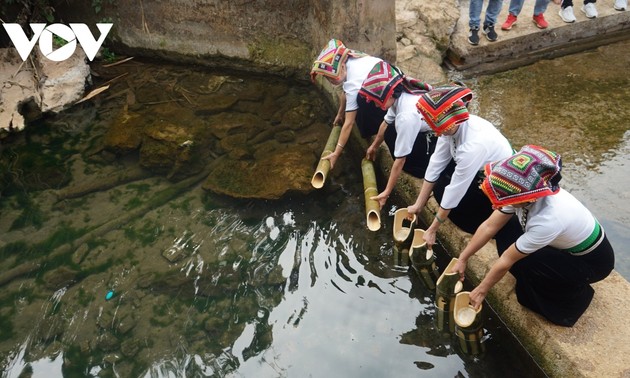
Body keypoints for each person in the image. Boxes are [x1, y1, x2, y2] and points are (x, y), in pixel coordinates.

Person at [452, 145, 615, 327]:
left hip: (591, 263)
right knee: (507, 229)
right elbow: (490, 226)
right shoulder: (525, 192)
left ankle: (571, 298)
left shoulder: (549, 218)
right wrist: (462, 259)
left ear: (525, 199)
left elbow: (507, 258)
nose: (494, 205)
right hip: (563, 245)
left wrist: (481, 291)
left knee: (525, 261)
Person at [406, 85, 514, 245]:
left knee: (452, 203)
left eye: (440, 128)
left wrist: (433, 229)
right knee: (440, 187)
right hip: (476, 172)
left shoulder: (473, 145)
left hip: (498, 186)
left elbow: (456, 188)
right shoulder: (450, 128)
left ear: (450, 122)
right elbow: (436, 163)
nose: (438, 133)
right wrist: (418, 205)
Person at [358, 61, 437, 208]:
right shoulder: (399, 98)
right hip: (420, 127)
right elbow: (385, 123)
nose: (376, 105)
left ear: (388, 95)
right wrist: (374, 146)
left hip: (434, 139)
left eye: (376, 101)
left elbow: (400, 160)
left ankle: (420, 168)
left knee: (399, 148)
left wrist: (387, 192)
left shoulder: (406, 115)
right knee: (389, 131)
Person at [310, 38, 384, 170]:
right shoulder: (352, 59)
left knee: (360, 107)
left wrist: (336, 153)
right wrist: (340, 113)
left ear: (342, 67)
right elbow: (345, 92)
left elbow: (348, 124)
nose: (330, 81)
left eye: (331, 77)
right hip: (385, 83)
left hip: (387, 98)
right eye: (327, 78)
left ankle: (372, 130)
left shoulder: (353, 83)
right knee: (358, 102)